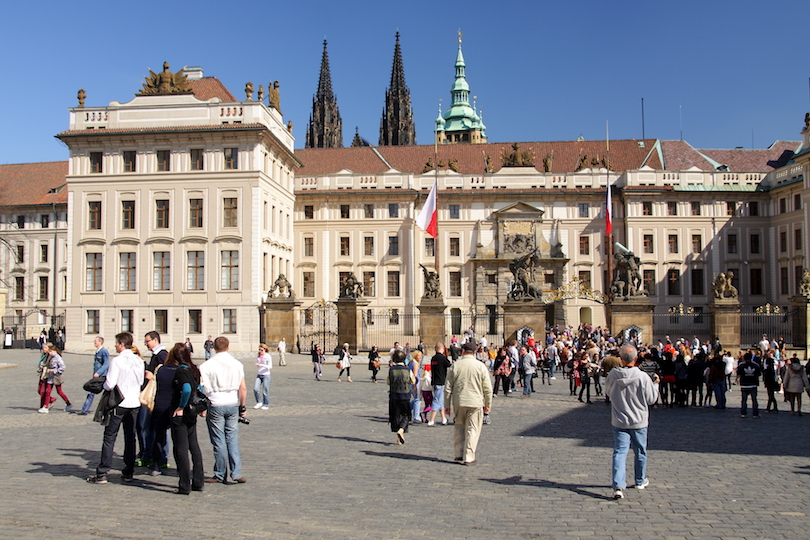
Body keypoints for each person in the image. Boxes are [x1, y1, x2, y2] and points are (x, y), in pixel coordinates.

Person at [87, 332, 144, 484]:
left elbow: (110, 384)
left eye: (116, 343)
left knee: (110, 437)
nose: (115, 346)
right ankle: (128, 472)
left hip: (119, 403)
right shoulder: (139, 360)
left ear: (121, 344)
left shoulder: (117, 361)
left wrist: (102, 383)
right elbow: (141, 381)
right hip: (134, 403)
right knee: (130, 437)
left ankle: (102, 472)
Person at [606, 344, 659, 500]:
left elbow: (608, 392)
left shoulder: (613, 375)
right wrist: (655, 384)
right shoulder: (642, 377)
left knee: (620, 452)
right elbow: (651, 399)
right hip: (639, 420)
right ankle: (639, 480)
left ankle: (618, 485)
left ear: (621, 359)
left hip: (619, 420)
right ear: (636, 359)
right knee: (640, 451)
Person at [200, 336, 247, 484]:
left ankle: (220, 473)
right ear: (228, 347)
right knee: (232, 439)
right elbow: (243, 388)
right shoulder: (237, 364)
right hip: (232, 402)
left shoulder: (206, 365)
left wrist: (203, 407)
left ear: (214, 348)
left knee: (218, 441)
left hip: (215, 403)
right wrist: (242, 406)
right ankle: (236, 472)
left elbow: (203, 388)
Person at [444, 341, 493, 465]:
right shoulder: (481, 366)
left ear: (463, 351)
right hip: (475, 402)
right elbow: (488, 388)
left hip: (459, 401)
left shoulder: (455, 365)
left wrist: (446, 405)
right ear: (475, 352)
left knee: (459, 427)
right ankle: (469, 456)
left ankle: (458, 454)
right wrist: (488, 404)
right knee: (472, 429)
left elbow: (448, 387)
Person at [168, 343, 205, 494]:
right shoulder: (194, 369)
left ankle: (184, 485)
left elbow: (187, 389)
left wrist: (181, 407)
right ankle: (198, 481)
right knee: (194, 446)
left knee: (181, 449)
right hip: (192, 413)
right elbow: (200, 388)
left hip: (182, 413)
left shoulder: (181, 371)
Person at [138, 331, 169, 468]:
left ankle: (157, 456)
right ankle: (154, 455)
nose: (146, 344)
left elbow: (165, 374)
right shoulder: (157, 355)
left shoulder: (162, 355)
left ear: (155, 340)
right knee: (151, 428)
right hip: (155, 397)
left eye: (147, 341)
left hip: (156, 398)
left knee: (151, 428)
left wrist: (153, 376)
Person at [149, 347, 178, 476]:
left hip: (160, 406)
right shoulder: (180, 371)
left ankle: (156, 466)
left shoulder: (160, 370)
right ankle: (180, 466)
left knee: (158, 437)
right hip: (174, 407)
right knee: (178, 439)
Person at [387, 349, 415, 444]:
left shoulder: (391, 370)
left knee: (396, 415)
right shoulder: (407, 370)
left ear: (394, 360)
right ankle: (401, 430)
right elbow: (413, 381)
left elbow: (388, 381)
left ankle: (398, 438)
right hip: (405, 395)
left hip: (394, 395)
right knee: (406, 415)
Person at [79, 336, 109, 415]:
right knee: (91, 392)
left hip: (102, 376)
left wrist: (98, 373)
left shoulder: (104, 351)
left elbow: (106, 364)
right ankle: (84, 410)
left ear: (100, 342)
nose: (94, 342)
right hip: (96, 376)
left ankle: (106, 410)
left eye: (96, 341)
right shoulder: (97, 351)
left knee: (105, 393)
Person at [39, 343, 72, 413]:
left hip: (57, 376)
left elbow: (63, 367)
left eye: (51, 351)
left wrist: (52, 370)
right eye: (49, 351)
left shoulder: (58, 357)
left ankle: (68, 403)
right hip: (51, 377)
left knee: (59, 392)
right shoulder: (51, 357)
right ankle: (46, 407)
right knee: (48, 391)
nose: (50, 353)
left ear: (54, 351)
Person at [428, 342, 451, 426]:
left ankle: (444, 419)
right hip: (441, 382)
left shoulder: (433, 358)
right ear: (442, 349)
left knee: (440, 401)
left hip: (434, 381)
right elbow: (449, 365)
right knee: (437, 401)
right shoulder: (443, 358)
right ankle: (431, 420)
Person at [736, 352, 762, 418]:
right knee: (754, 400)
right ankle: (755, 414)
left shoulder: (741, 365)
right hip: (753, 384)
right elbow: (758, 374)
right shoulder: (756, 365)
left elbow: (738, 373)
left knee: (744, 400)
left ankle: (743, 413)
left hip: (744, 384)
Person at [253, 343, 272, 410]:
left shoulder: (268, 356)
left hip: (266, 375)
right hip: (259, 374)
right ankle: (259, 402)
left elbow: (270, 366)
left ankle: (265, 404)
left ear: (265, 350)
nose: (260, 351)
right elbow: (257, 362)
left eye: (261, 350)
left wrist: (262, 365)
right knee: (255, 389)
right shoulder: (258, 356)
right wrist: (257, 364)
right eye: (259, 350)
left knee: (265, 390)